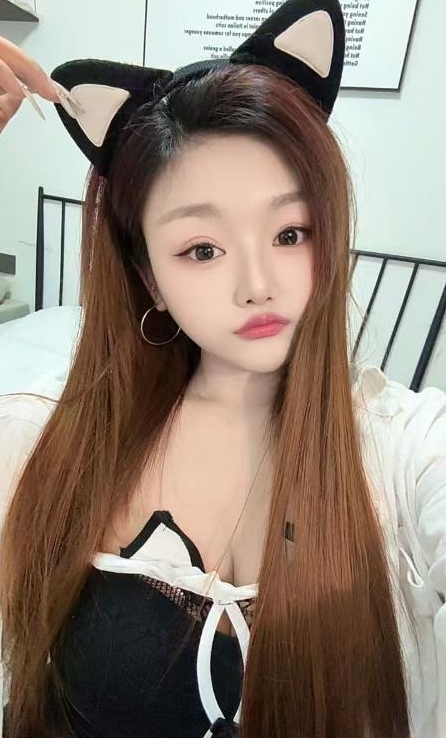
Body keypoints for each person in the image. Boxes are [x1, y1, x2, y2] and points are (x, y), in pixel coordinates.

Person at [0, 1, 445, 737]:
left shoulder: (403, 451)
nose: (258, 285)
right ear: (148, 277)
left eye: (291, 233)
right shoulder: (42, 442)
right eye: (202, 249)